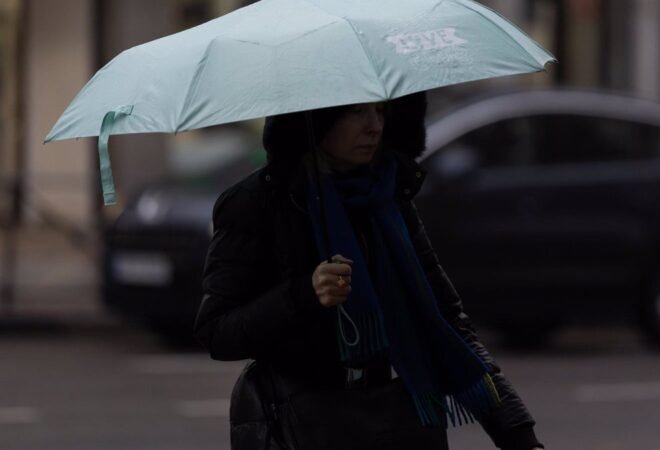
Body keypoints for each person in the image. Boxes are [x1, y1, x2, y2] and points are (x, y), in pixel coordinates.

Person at [193, 92, 545, 450]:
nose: (374, 126)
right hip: (305, 425)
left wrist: (519, 436)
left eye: (380, 110)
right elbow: (218, 332)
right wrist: (305, 294)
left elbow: (447, 321)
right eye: (356, 112)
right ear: (319, 117)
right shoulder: (257, 203)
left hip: (399, 419)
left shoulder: (389, 195)